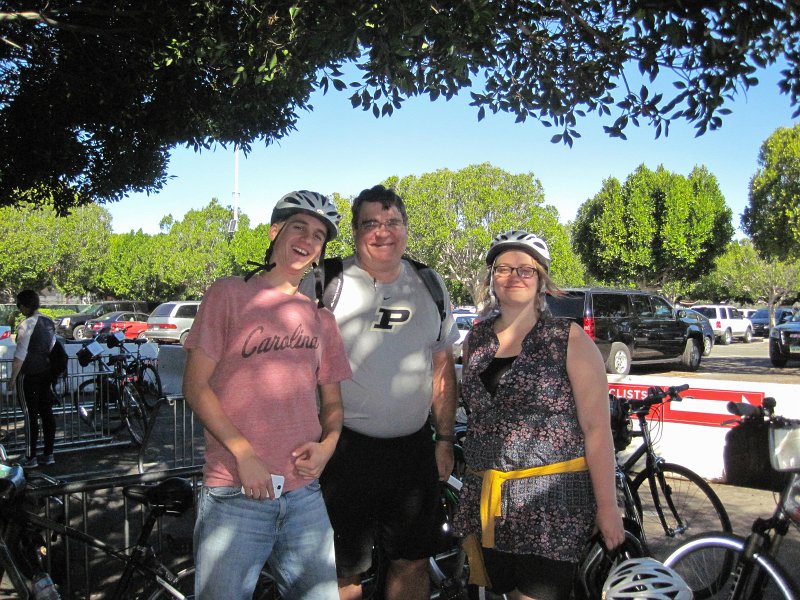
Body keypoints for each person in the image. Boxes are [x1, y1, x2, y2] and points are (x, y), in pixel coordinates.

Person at [182, 191, 352, 600]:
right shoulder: (228, 294)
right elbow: (194, 386)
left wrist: (328, 446)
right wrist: (244, 453)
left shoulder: (321, 319)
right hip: (235, 492)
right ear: (275, 232)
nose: (308, 239)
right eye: (299, 227)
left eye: (318, 236)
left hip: (304, 497)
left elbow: (332, 404)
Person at [453, 230, 625, 600]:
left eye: (525, 269)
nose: (514, 276)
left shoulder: (571, 339)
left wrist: (608, 506)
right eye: (503, 268)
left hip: (552, 505)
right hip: (490, 503)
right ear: (491, 279)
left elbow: (596, 429)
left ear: (542, 280)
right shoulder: (476, 341)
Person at [318, 184, 460, 600]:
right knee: (344, 571)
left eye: (392, 222)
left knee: (412, 559)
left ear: (406, 228)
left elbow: (442, 368)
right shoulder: (327, 283)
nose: (383, 232)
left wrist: (445, 439)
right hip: (343, 452)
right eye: (371, 223)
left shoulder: (430, 282)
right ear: (355, 231)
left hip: (413, 453)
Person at [9, 289, 57, 469]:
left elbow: (20, 355)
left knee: (30, 415)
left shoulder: (26, 324)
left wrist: (13, 379)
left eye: (20, 305)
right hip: (45, 372)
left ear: (24, 305)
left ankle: (30, 456)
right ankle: (49, 453)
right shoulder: (48, 322)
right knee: (47, 413)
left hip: (29, 374)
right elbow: (51, 346)